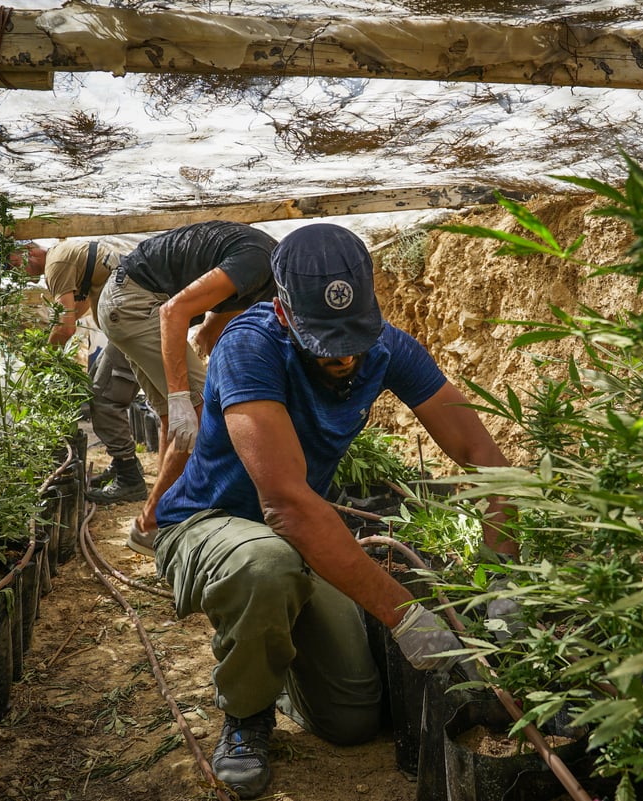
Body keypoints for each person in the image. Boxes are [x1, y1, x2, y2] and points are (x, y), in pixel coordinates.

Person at [149, 223, 516, 799]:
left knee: (352, 722)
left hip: (293, 531)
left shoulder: (389, 348)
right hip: (210, 522)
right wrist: (410, 618)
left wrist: (502, 574)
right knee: (264, 565)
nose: (344, 353)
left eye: (355, 336)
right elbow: (287, 505)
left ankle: (281, 654)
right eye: (326, 339)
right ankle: (247, 717)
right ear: (286, 313)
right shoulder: (249, 346)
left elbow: (483, 456)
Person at [96, 221, 277, 553]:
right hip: (137, 304)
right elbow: (173, 311)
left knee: (171, 418)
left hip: (124, 302)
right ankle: (150, 523)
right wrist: (182, 395)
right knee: (198, 412)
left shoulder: (263, 278)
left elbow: (215, 328)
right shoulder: (258, 260)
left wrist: (208, 338)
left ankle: (164, 516)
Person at [17, 239, 148, 500]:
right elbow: (82, 305)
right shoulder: (67, 254)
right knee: (103, 391)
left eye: (13, 264)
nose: (16, 273)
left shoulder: (56, 265)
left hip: (133, 323)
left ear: (29, 251)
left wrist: (44, 358)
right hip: (134, 319)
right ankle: (122, 464)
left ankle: (130, 479)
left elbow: (65, 328)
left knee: (103, 400)